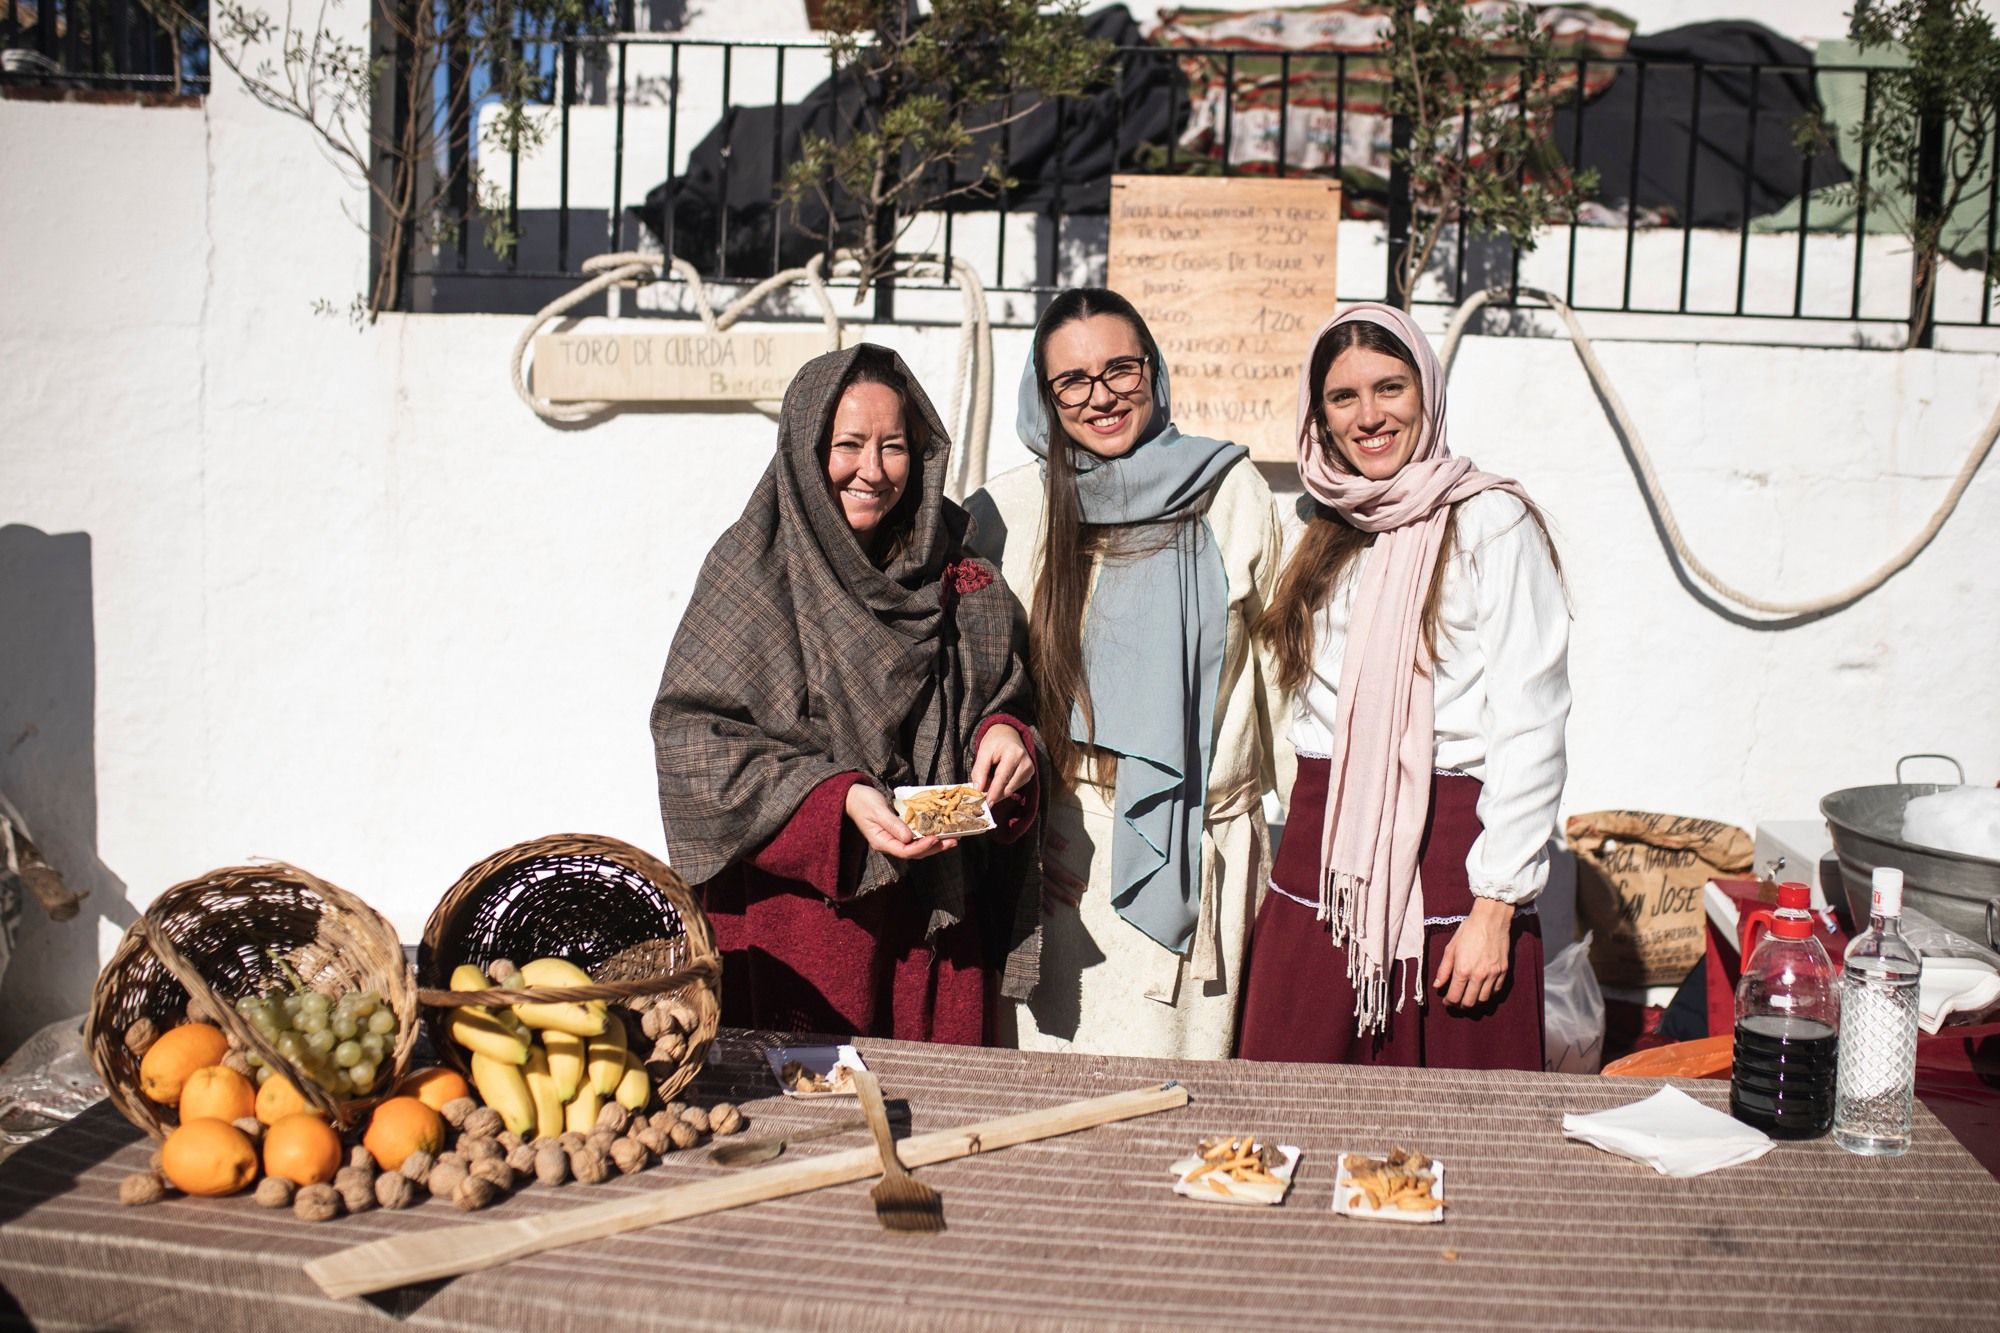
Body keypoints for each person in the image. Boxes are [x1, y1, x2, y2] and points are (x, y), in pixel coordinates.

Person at [651, 344, 1042, 1044]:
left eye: (893, 446)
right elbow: (693, 742)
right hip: (796, 935)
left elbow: (999, 693)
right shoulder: (754, 570)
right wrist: (837, 800)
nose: (873, 470)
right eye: (849, 444)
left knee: (938, 1132)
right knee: (799, 1132)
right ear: (806, 449)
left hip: (931, 927)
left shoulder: (958, 572)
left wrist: (1004, 736)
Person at [1236, 302, 1570, 1070]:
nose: (1369, 415)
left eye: (1390, 387)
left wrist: (1496, 907)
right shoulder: (1317, 525)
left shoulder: (1491, 521)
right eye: (1343, 397)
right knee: (1291, 1104)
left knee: (1451, 1134)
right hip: (1323, 859)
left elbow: (1533, 721)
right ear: (1318, 415)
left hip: (1453, 857)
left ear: (1427, 390)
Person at [966, 288, 1286, 1059]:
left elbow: (1288, 692)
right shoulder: (1005, 513)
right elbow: (969, 689)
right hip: (1058, 859)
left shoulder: (1230, 495)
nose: (1101, 395)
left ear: (1155, 370)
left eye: (1121, 369)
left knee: (1185, 1114)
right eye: (1072, 381)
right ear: (1041, 396)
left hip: (1201, 855)